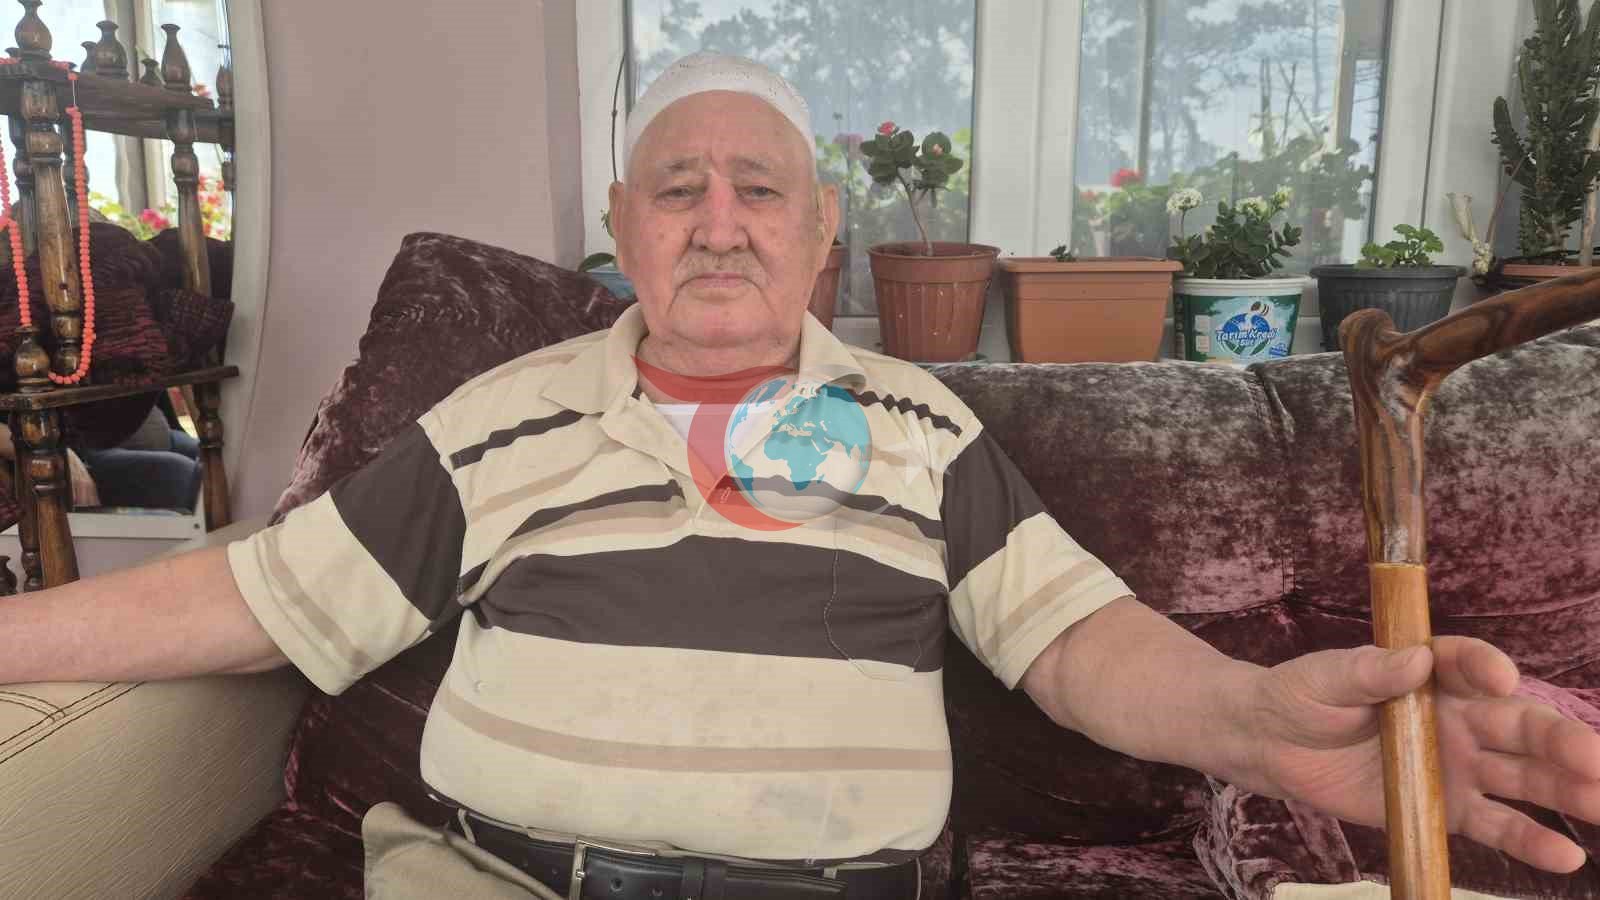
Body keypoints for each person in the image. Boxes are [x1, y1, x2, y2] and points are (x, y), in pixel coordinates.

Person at [3, 52, 1599, 900]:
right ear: (622, 232)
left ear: (824, 236)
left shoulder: (922, 428)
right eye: (676, 188)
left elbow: (1079, 643)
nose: (718, 221)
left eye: (760, 188)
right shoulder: (496, 416)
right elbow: (255, 597)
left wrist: (1263, 722)